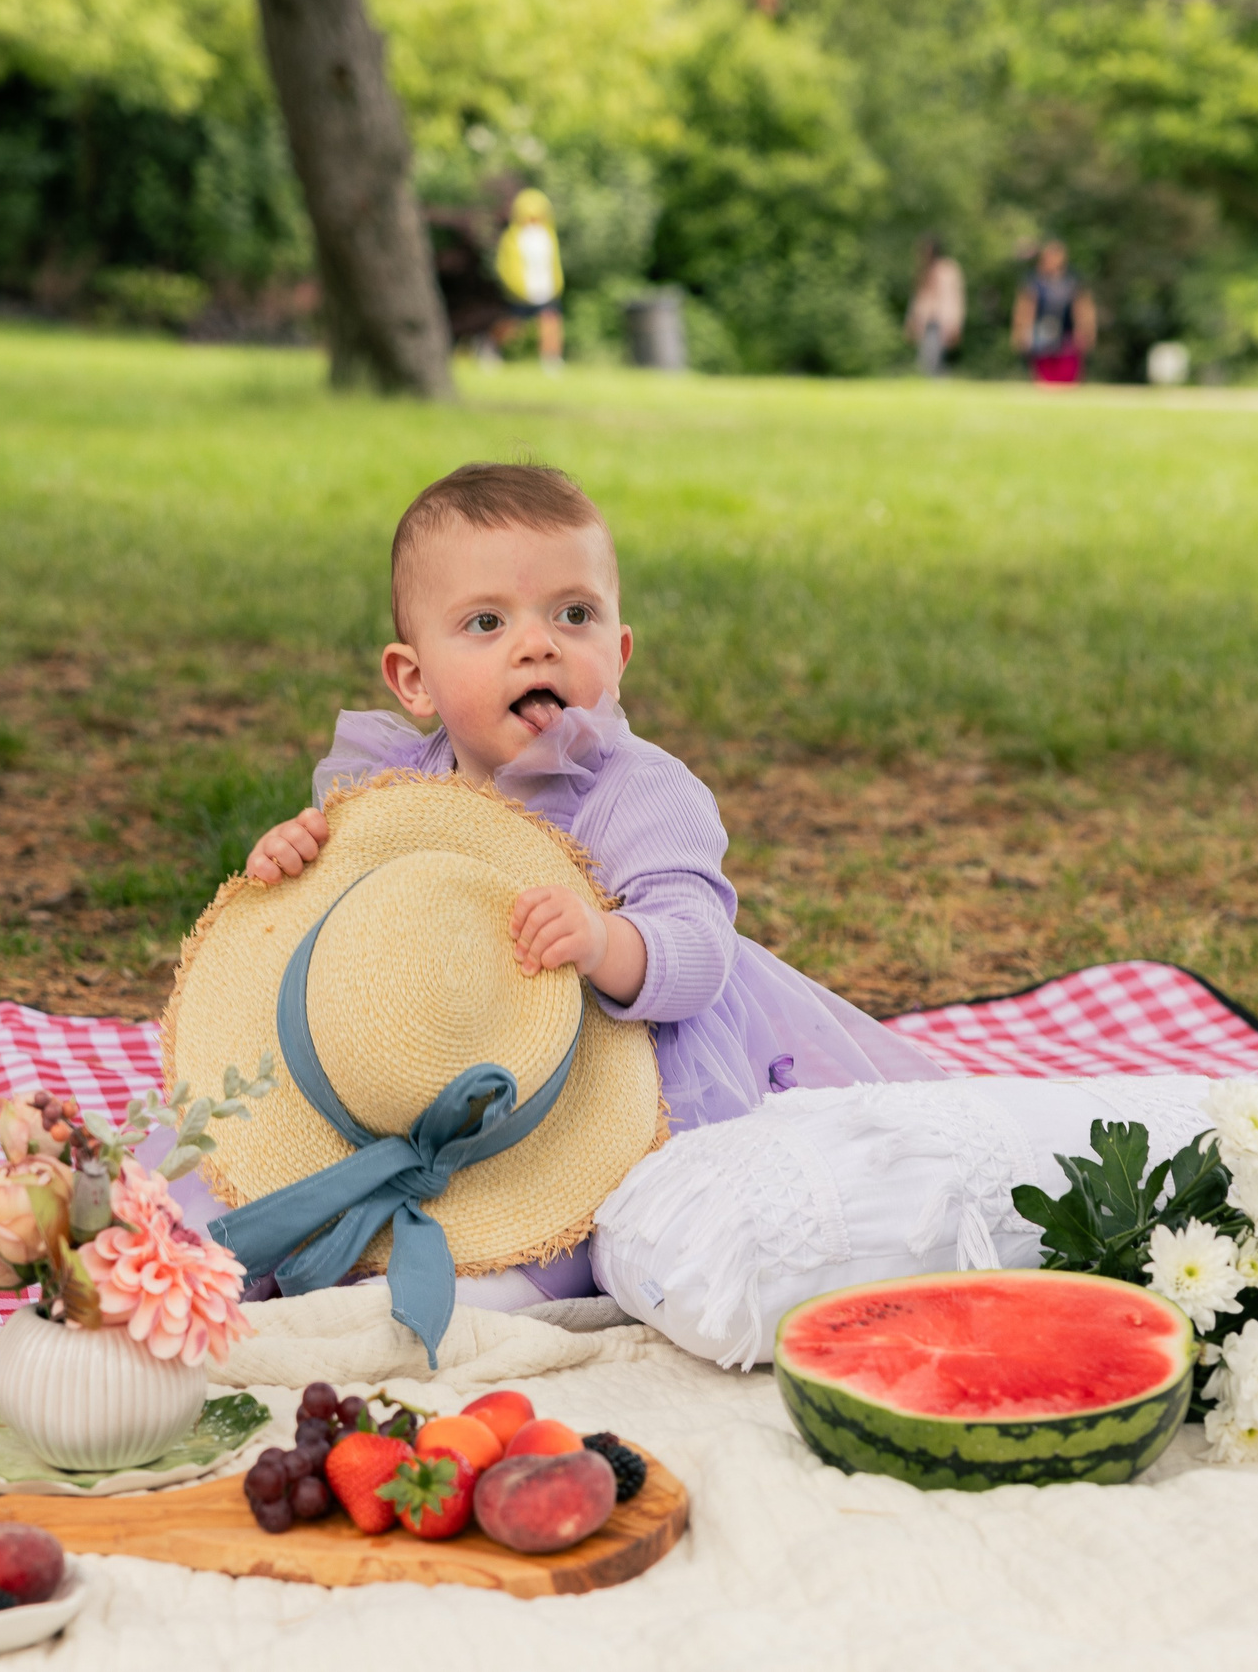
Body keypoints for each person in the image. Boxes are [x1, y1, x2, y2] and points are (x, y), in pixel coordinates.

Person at [242, 462, 949, 1301]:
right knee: (278, 1182)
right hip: (442, 1072)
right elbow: (353, 916)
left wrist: (607, 940)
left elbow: (699, 949)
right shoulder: (398, 785)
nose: (537, 642)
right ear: (414, 679)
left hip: (609, 1092)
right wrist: (295, 857)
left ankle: (501, 1286)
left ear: (617, 653)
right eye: (486, 622)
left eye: (572, 615)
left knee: (607, 1224)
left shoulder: (637, 792)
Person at [493, 189, 566, 371]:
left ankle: (551, 359)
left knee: (550, 322)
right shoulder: (513, 237)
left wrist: (556, 284)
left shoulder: (548, 235)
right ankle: (490, 348)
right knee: (511, 326)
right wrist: (515, 286)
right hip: (522, 291)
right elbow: (506, 265)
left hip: (546, 290)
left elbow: (553, 263)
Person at [1012, 239, 1096, 385]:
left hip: (1067, 337)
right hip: (1041, 336)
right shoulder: (1033, 281)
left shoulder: (1073, 280)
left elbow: (1083, 308)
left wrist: (1086, 331)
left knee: (1068, 378)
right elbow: (1024, 309)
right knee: (1043, 380)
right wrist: (1022, 332)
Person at [904, 236, 966, 376]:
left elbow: (955, 297)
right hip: (926, 320)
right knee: (927, 356)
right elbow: (918, 299)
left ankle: (937, 383)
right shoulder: (924, 272)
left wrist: (955, 322)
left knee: (933, 357)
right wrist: (912, 320)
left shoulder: (948, 270)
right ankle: (934, 383)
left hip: (943, 320)